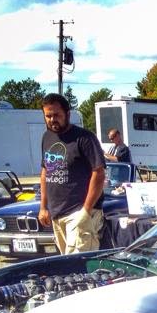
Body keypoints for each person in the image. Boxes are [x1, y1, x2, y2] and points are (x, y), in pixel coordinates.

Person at [37, 92, 106, 255]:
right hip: (57, 214)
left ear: (67, 114)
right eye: (48, 116)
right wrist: (43, 207)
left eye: (56, 115)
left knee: (78, 265)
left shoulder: (84, 138)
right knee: (66, 264)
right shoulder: (47, 137)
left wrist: (86, 211)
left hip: (80, 213)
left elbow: (99, 173)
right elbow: (45, 171)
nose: (52, 119)